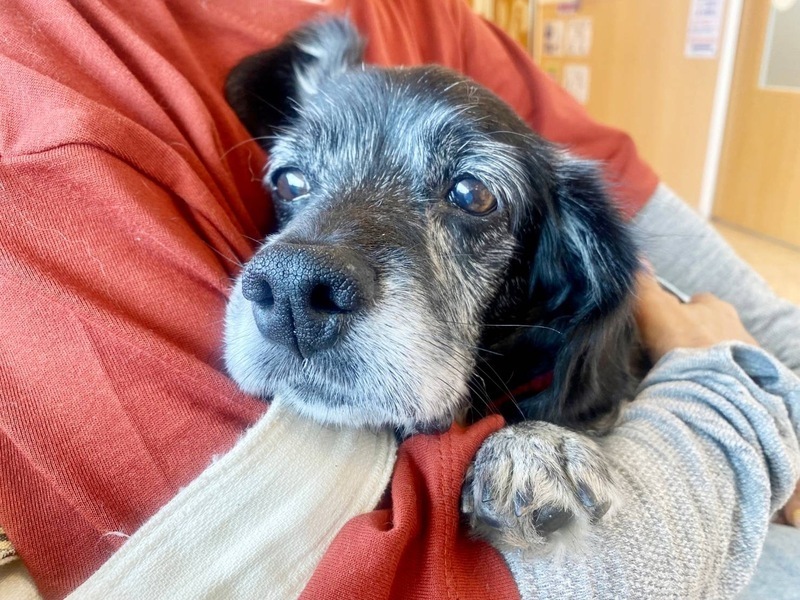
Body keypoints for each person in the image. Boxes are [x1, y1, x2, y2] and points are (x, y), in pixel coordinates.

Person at [0, 0, 798, 598]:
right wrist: (729, 385)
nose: (295, 277)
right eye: (294, 181)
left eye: (470, 195)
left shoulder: (444, 21)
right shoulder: (50, 61)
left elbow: (727, 307)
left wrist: (740, 377)